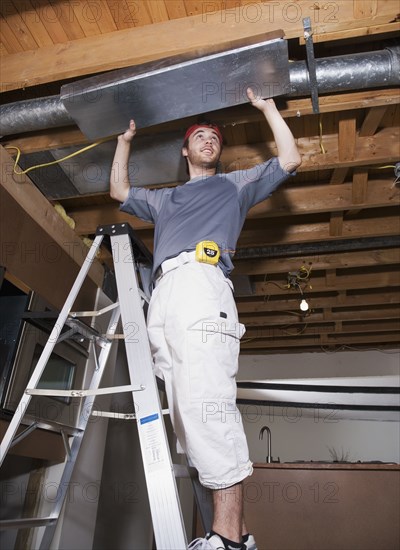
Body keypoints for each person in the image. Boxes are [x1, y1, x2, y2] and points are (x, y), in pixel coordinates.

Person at [110, 88, 301, 550]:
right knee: (184, 414)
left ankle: (229, 540)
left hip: (202, 282)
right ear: (185, 149)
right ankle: (233, 536)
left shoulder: (234, 185)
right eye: (199, 135)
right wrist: (123, 141)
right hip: (165, 297)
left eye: (214, 136)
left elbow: (291, 159)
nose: (208, 140)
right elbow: (117, 190)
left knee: (206, 406)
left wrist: (267, 109)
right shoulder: (164, 200)